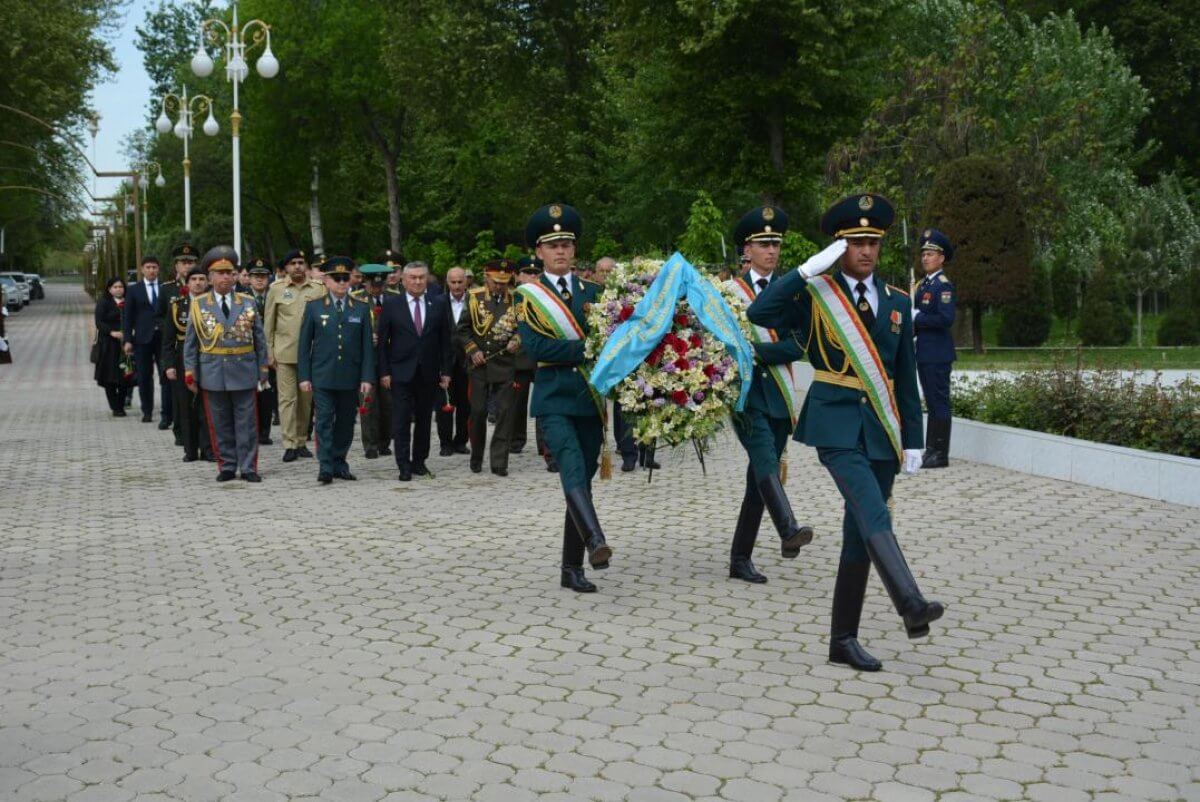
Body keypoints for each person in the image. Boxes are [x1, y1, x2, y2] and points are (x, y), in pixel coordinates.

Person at [749, 193, 944, 672]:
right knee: (873, 510)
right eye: (855, 242)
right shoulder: (817, 295)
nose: (865, 251)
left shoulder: (898, 301)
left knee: (860, 533)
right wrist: (804, 272)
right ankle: (909, 602)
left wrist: (914, 439)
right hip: (835, 424)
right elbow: (759, 315)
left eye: (872, 242)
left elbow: (905, 370)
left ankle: (843, 641)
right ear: (838, 246)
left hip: (882, 428)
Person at [515, 203, 613, 593]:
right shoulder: (529, 295)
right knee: (571, 467)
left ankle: (571, 568)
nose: (560, 251)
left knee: (584, 476)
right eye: (552, 245)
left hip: (589, 399)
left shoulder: (596, 292)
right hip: (553, 399)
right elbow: (536, 348)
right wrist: (590, 349)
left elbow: (611, 340)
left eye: (566, 244)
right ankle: (595, 540)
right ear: (538, 252)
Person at [724, 206, 815, 584]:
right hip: (746, 392)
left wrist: (756, 351)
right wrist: (746, 353)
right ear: (748, 248)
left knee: (760, 478)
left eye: (775, 244)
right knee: (763, 457)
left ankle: (740, 558)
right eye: (763, 244)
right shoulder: (729, 292)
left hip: (779, 391)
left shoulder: (794, 292)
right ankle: (788, 526)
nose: (771, 251)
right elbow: (723, 344)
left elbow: (800, 343)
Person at [183, 246, 270, 482]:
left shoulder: (248, 302)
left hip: (244, 369)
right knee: (219, 423)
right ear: (210, 277)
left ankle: (249, 466)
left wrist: (263, 368)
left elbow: (259, 339)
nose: (225, 277)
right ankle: (227, 466)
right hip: (213, 371)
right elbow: (191, 343)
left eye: (228, 273)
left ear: (234, 276)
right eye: (219, 273)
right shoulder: (199, 304)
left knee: (247, 423)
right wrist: (190, 372)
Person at [298, 257, 375, 483]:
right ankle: (326, 465)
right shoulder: (314, 307)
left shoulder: (360, 308)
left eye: (345, 278)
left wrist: (367, 377)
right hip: (322, 375)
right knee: (323, 420)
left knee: (345, 422)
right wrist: (304, 376)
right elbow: (304, 345)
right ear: (327, 281)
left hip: (349, 377)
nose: (342, 283)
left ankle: (340, 461)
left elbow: (367, 348)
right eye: (336, 278)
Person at [376, 261, 452, 481]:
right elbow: (382, 343)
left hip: (428, 372)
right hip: (400, 371)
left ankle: (419, 461)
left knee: (424, 419)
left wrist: (446, 371)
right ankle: (403, 464)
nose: (418, 281)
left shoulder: (437, 303)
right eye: (413, 277)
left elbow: (445, 340)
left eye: (421, 277)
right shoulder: (392, 304)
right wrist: (384, 372)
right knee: (400, 420)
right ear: (404, 280)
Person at [458, 259, 521, 475]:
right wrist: (472, 350)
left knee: (504, 412)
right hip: (480, 365)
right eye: (496, 282)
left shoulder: (515, 299)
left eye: (504, 282)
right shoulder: (474, 297)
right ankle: (476, 456)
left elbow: (523, 327)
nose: (500, 286)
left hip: (504, 364)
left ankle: (499, 462)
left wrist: (517, 340)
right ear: (486, 277)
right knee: (477, 411)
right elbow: (463, 329)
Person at [265, 248, 325, 462]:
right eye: (293, 263)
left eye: (301, 262)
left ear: (306, 266)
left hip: (311, 355)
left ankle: (301, 441)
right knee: (287, 400)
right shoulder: (276, 289)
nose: (297, 266)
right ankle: (289, 443)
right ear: (286, 268)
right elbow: (268, 324)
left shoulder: (319, 289)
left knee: (305, 401)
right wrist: (269, 352)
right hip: (285, 354)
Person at [914, 228, 957, 468]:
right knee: (931, 402)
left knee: (939, 402)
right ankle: (931, 449)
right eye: (924, 253)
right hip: (925, 353)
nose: (925, 258)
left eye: (931, 254)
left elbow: (945, 319)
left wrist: (917, 318)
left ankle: (941, 453)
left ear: (941, 258)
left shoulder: (944, 286)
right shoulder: (922, 286)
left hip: (938, 354)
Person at [163, 266, 212, 462]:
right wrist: (168, 365)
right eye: (194, 279)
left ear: (207, 282)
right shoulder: (177, 306)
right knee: (185, 406)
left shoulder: (213, 305)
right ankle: (190, 450)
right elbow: (167, 340)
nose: (198, 283)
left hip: (209, 358)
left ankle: (208, 449)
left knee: (207, 406)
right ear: (187, 283)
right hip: (183, 359)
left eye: (201, 279)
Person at [158, 242, 200, 446]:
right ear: (176, 266)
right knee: (179, 397)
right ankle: (181, 432)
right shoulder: (167, 290)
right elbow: (159, 317)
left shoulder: (203, 288)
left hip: (202, 350)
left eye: (191, 262)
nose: (187, 266)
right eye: (183, 263)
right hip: (178, 347)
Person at [513, 257, 553, 470]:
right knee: (517, 403)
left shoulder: (546, 297)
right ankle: (516, 440)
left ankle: (544, 443)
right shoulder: (514, 297)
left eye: (536, 273)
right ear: (518, 276)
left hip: (541, 358)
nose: (531, 277)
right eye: (527, 273)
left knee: (543, 402)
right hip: (519, 357)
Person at [123, 255, 172, 427]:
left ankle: (168, 412)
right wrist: (127, 339)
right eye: (148, 267)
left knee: (166, 374)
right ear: (142, 269)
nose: (151, 270)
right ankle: (147, 410)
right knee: (144, 376)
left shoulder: (165, 287)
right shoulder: (133, 290)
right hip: (142, 338)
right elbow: (127, 317)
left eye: (154, 267)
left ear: (159, 269)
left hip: (163, 337)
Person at [352, 266, 393, 459]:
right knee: (367, 403)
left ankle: (385, 442)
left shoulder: (393, 298)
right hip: (365, 359)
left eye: (380, 285)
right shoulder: (356, 299)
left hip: (389, 358)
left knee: (388, 403)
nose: (377, 289)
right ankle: (370, 444)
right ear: (365, 283)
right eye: (373, 285)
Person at [437, 266, 470, 456]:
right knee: (445, 404)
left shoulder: (474, 301)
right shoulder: (438, 302)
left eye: (460, 281)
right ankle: (445, 443)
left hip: (467, 359)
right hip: (445, 360)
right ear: (447, 282)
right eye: (453, 282)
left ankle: (461, 441)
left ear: (466, 281)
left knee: (466, 403)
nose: (457, 286)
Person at [246, 258, 276, 445]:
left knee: (267, 392)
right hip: (248, 350)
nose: (259, 280)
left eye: (263, 276)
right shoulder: (241, 297)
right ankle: (252, 430)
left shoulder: (275, 295)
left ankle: (265, 432)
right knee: (249, 394)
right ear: (248, 278)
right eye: (255, 276)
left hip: (270, 350)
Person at [94, 277, 131, 416]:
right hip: (109, 344)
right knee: (109, 377)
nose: (118, 289)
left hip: (126, 345)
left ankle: (121, 405)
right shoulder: (104, 303)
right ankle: (115, 406)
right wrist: (112, 332)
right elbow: (99, 322)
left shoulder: (129, 301)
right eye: (115, 287)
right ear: (109, 289)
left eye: (120, 287)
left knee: (125, 376)